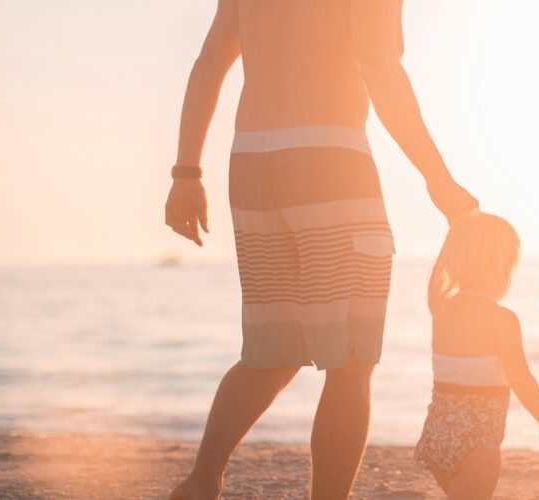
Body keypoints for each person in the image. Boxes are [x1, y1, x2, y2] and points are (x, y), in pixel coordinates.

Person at [163, 0, 478, 497]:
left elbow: (210, 60)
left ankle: (201, 483)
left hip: (252, 163)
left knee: (270, 354)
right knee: (351, 363)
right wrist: (438, 180)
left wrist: (186, 172)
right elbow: (380, 66)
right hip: (329, 161)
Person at [416, 213, 539, 499]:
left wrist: (454, 232)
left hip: (437, 436)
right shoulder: (502, 320)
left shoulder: (441, 308)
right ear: (502, 269)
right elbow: (520, 378)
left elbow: (436, 276)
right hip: (479, 442)